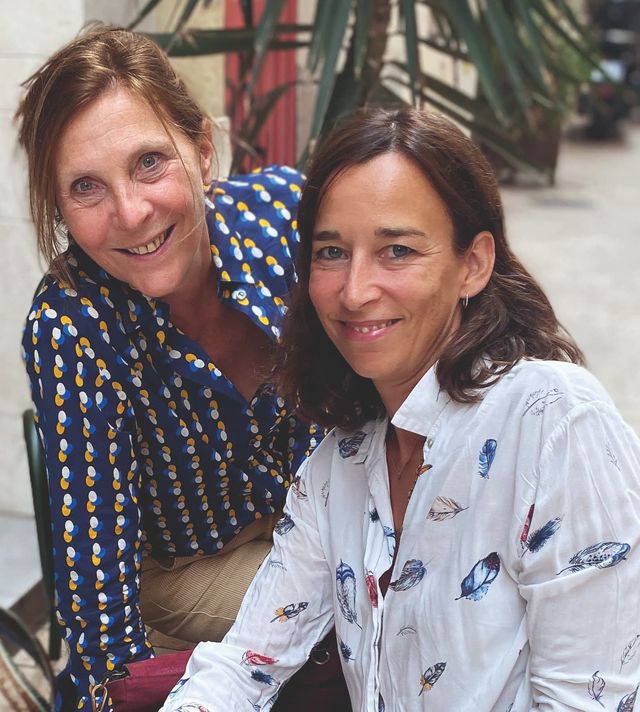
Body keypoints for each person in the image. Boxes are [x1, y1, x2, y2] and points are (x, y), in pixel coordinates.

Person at [160, 108, 640, 712]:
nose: (355, 290)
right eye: (331, 252)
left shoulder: (553, 424)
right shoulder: (342, 463)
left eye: (398, 251)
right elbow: (247, 659)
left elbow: (591, 700)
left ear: (474, 264)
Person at [16, 25, 335, 712]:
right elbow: (97, 576)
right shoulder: (73, 326)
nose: (130, 213)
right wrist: (122, 694)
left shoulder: (283, 214)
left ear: (204, 149)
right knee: (365, 603)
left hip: (315, 520)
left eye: (150, 162)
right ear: (60, 207)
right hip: (188, 567)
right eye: (85, 188)